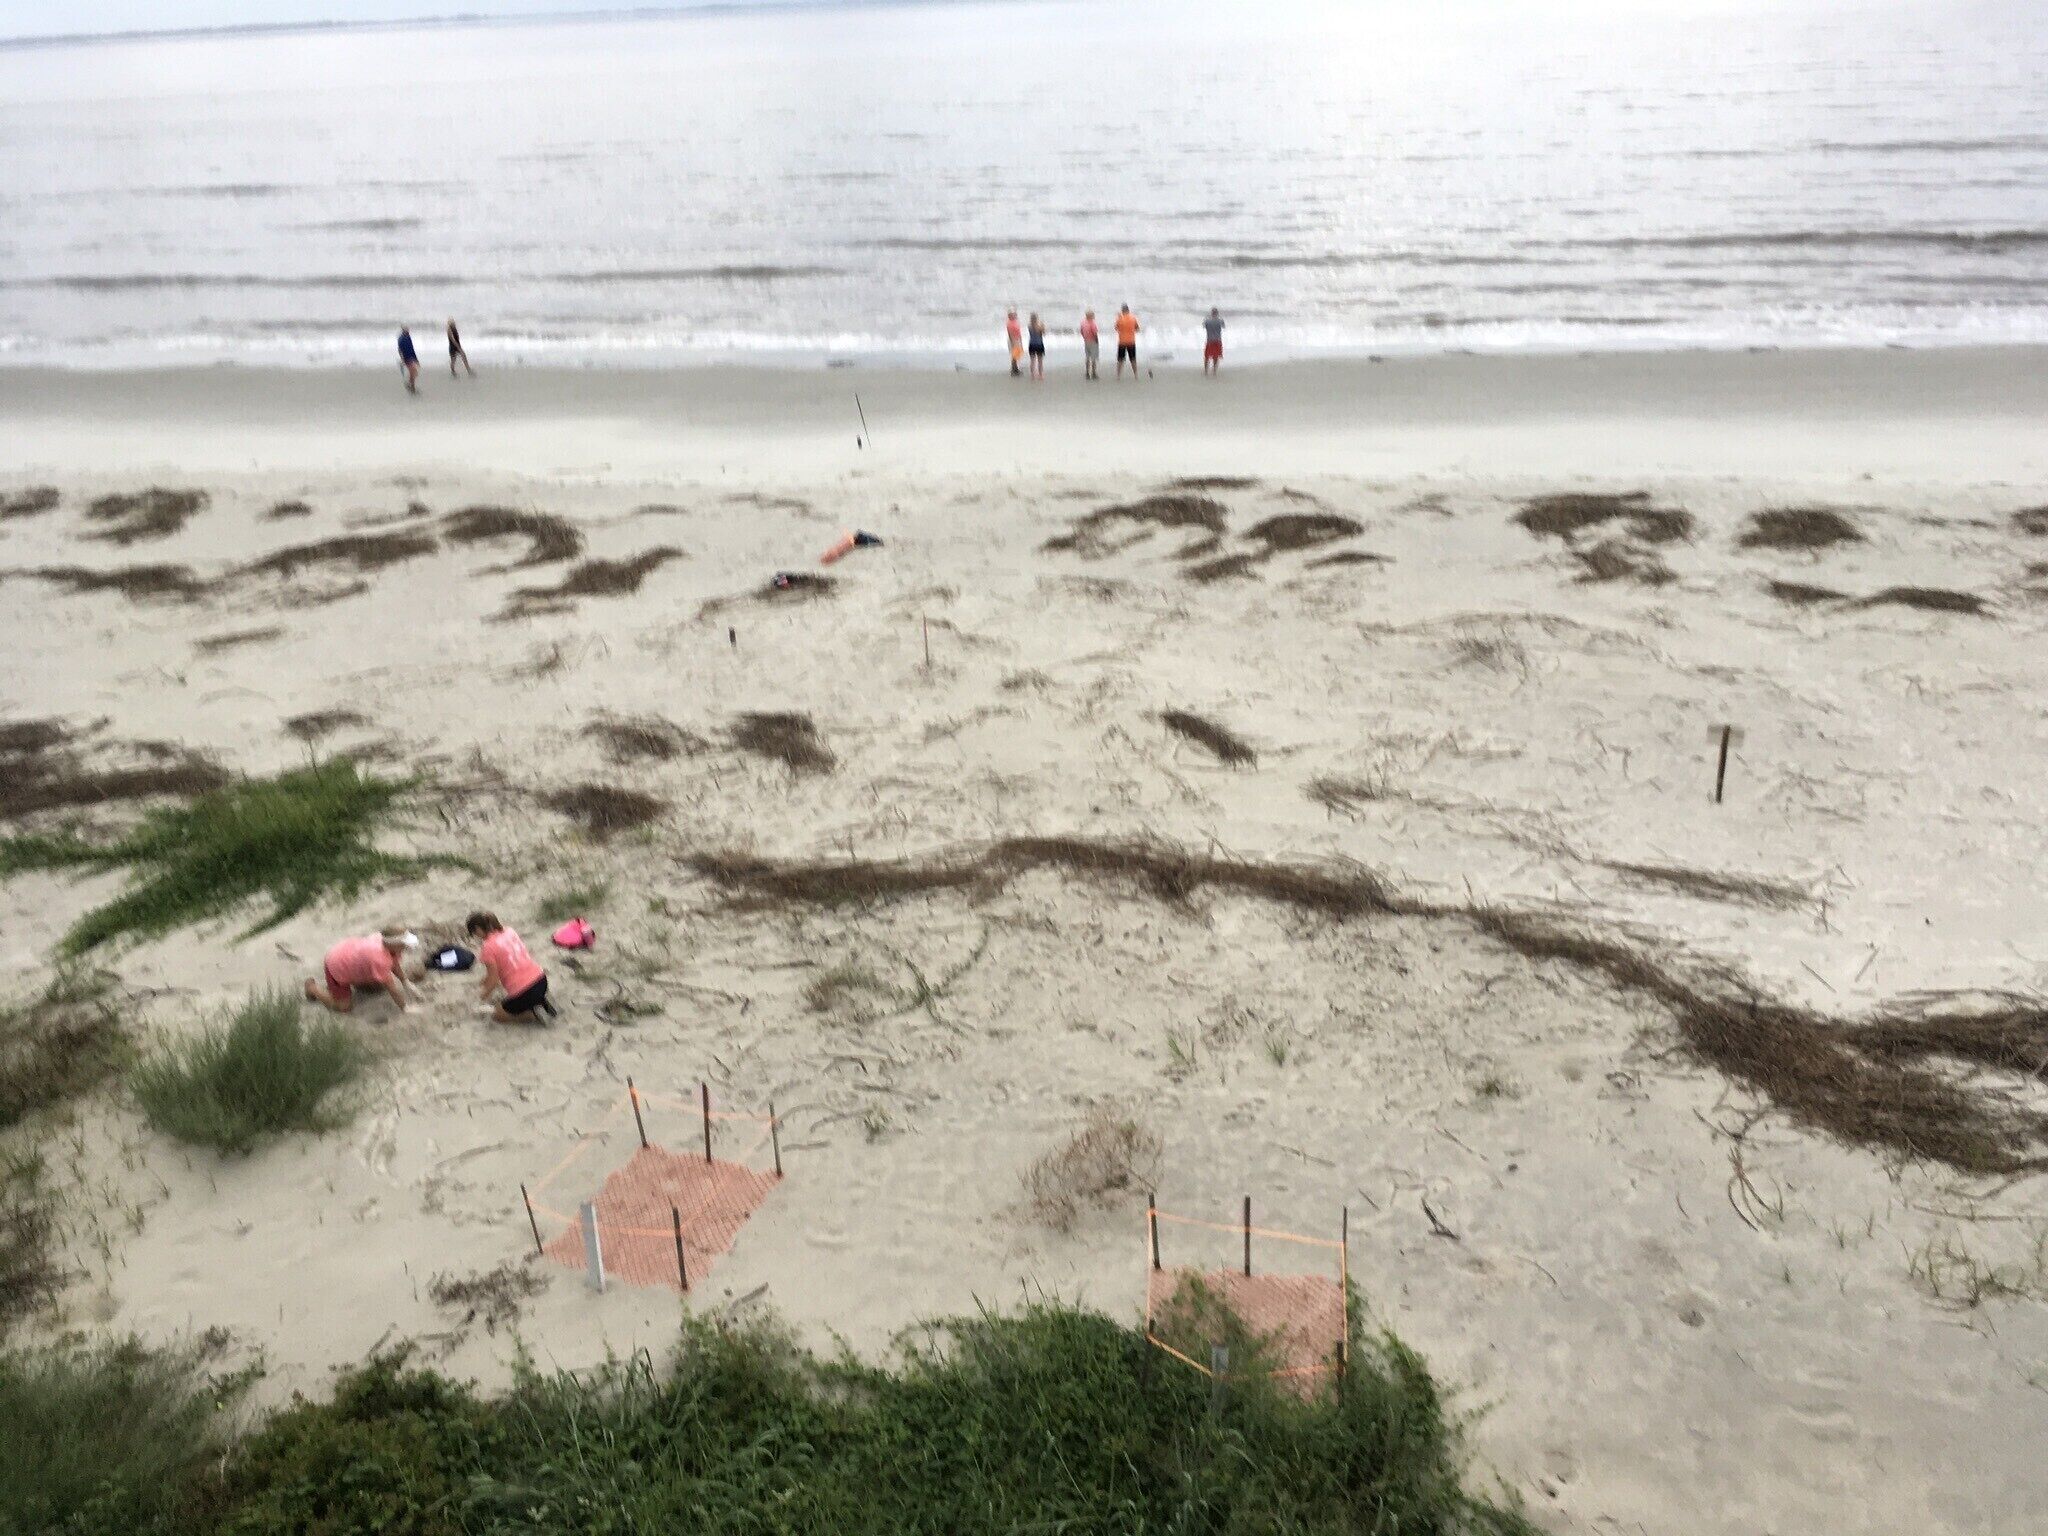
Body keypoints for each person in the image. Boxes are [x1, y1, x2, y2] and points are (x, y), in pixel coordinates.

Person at [306, 927, 418, 1015]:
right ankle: (312, 988)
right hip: (336, 965)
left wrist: (405, 981)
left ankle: (353, 983)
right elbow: (392, 988)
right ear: (394, 945)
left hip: (349, 954)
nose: (405, 947)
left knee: (377, 988)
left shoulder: (383, 940)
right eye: (404, 945)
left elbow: (394, 964)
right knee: (344, 1007)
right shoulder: (379, 959)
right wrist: (405, 1008)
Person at [467, 910, 554, 1023]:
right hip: (541, 980)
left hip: (524, 991)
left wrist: (480, 998)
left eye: (474, 933)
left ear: (478, 929)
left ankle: (532, 1015)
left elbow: (493, 981)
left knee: (498, 1015)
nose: (476, 936)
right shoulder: (509, 931)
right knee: (530, 995)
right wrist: (484, 982)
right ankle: (540, 1003)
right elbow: (506, 965)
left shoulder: (488, 948)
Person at [1114, 304, 1140, 379]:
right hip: (1131, 341)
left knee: (1120, 359)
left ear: (1122, 310)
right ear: (1128, 310)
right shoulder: (1133, 318)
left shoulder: (1119, 319)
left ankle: (1118, 375)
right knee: (1133, 359)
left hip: (1122, 341)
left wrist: (1119, 318)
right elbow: (1137, 329)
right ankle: (1136, 375)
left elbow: (1116, 328)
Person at [1202, 307, 1225, 375]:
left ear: (1211, 313)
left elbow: (1203, 326)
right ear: (1217, 313)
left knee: (1207, 356)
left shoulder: (1207, 321)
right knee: (1216, 356)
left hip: (1209, 340)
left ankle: (1206, 371)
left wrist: (1206, 317)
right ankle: (1214, 370)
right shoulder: (1220, 321)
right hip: (1217, 340)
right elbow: (1223, 326)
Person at [1079, 309, 1100, 380]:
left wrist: (1084, 337)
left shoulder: (1083, 323)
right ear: (1090, 316)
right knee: (1093, 358)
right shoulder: (1092, 323)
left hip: (1086, 341)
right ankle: (1093, 373)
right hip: (1093, 341)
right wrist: (1097, 341)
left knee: (1087, 357)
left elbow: (1081, 331)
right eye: (1093, 315)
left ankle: (1087, 373)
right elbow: (1095, 333)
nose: (1094, 316)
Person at [397, 327, 420, 393]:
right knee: (414, 372)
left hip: (411, 357)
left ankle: (411, 385)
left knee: (414, 373)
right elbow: (400, 350)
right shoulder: (401, 339)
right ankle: (410, 386)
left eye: (408, 330)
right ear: (403, 331)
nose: (408, 331)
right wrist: (402, 359)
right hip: (406, 358)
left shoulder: (408, 337)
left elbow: (412, 348)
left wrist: (416, 359)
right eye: (406, 330)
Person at [1027, 312, 1047, 380]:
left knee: (1032, 360)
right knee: (1040, 361)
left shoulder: (1029, 326)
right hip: (1039, 344)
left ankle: (1032, 375)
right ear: (1037, 319)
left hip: (1031, 344)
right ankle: (1040, 375)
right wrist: (1043, 326)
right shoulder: (1039, 326)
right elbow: (1043, 333)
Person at [1005, 309, 1023, 376]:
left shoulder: (1015, 321)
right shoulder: (1009, 323)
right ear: (1010, 316)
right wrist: (1012, 341)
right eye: (1012, 314)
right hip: (1013, 340)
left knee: (1017, 355)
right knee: (1014, 355)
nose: (1014, 315)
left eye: (1014, 314)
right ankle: (1013, 369)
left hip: (1017, 339)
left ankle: (1015, 368)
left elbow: (1019, 331)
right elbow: (1010, 333)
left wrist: (1020, 339)